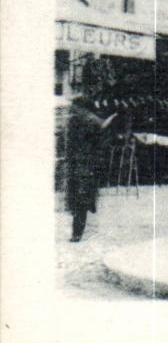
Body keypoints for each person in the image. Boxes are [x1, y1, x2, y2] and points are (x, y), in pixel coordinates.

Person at [63, 95, 117, 242]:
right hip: (79, 165)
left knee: (80, 199)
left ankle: (77, 234)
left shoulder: (90, 121)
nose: (72, 109)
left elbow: (101, 147)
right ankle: (77, 232)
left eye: (74, 107)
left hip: (85, 166)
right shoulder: (79, 121)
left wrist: (95, 164)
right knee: (79, 199)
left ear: (81, 107)